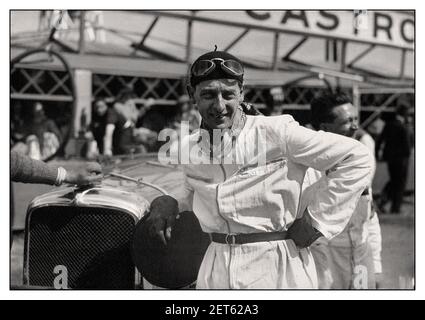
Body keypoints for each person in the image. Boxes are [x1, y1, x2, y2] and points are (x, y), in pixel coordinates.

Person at [146, 49, 373, 289]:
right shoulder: (188, 146)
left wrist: (317, 221)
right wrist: (169, 200)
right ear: (193, 95)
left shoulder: (276, 132)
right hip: (216, 268)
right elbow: (193, 192)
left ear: (242, 93)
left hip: (278, 269)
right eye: (209, 95)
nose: (219, 105)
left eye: (228, 94)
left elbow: (356, 157)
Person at [305, 92, 382, 289]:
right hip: (326, 261)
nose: (356, 126)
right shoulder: (307, 169)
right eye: (348, 121)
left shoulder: (360, 164)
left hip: (362, 258)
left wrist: (377, 265)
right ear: (324, 128)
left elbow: (370, 217)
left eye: (356, 118)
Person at [376, 105, 414, 214]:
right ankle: (395, 207)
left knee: (393, 181)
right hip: (402, 159)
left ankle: (382, 201)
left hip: (390, 159)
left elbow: (380, 139)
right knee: (400, 183)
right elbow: (407, 144)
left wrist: (378, 153)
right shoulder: (404, 127)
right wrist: (408, 154)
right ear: (405, 114)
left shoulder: (389, 125)